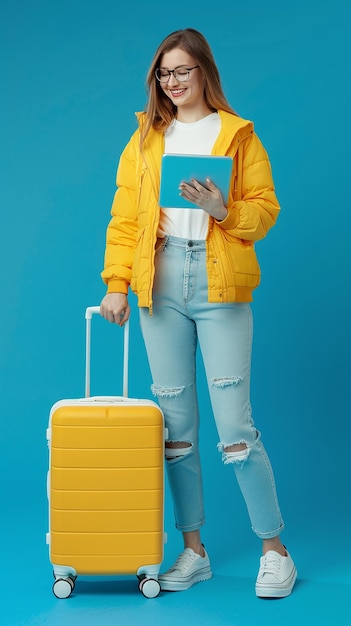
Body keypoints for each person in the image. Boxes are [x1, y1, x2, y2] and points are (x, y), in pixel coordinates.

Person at [100, 28, 297, 598]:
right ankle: (194, 552)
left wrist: (220, 207)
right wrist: (116, 283)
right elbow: (124, 217)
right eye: (165, 73)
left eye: (183, 70)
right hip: (159, 282)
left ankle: (275, 551)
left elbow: (265, 211)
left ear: (205, 72)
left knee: (235, 428)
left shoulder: (238, 135)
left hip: (218, 286)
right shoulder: (145, 138)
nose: (173, 82)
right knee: (175, 431)